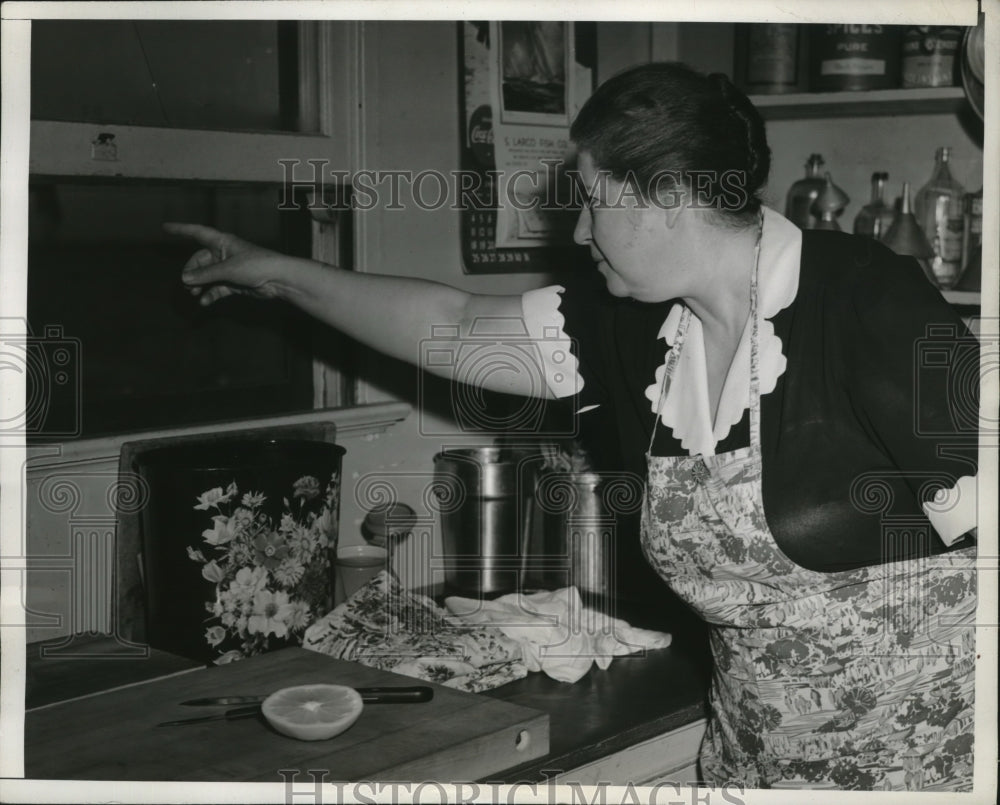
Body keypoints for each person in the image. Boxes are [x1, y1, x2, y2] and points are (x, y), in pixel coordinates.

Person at [168, 62, 979, 791]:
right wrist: (274, 272)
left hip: (926, 771)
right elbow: (446, 320)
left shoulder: (868, 301)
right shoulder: (634, 329)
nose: (581, 232)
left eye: (593, 202)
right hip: (753, 766)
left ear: (667, 195)